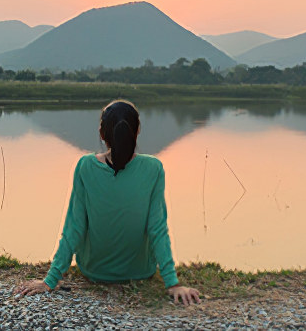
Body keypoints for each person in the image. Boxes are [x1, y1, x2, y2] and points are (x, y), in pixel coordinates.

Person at [14, 99, 200, 306]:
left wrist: (50, 280)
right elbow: (157, 228)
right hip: (141, 271)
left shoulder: (85, 166)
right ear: (137, 131)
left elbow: (74, 226)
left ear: (102, 134)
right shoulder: (153, 168)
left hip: (94, 271)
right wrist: (172, 283)